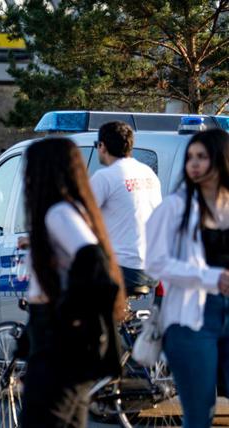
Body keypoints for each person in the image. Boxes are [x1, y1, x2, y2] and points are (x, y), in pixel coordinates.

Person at [20, 138, 124, 427]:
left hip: (58, 337)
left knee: (43, 420)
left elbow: (92, 259)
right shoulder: (72, 211)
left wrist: (68, 311)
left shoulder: (59, 213)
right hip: (56, 333)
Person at [145, 128, 229, 428]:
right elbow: (155, 262)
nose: (194, 163)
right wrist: (209, 277)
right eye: (190, 157)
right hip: (192, 319)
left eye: (202, 157)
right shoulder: (175, 207)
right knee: (199, 413)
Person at [90, 121, 162, 296]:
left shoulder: (104, 177)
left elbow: (78, 217)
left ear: (102, 146)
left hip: (123, 269)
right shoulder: (148, 173)